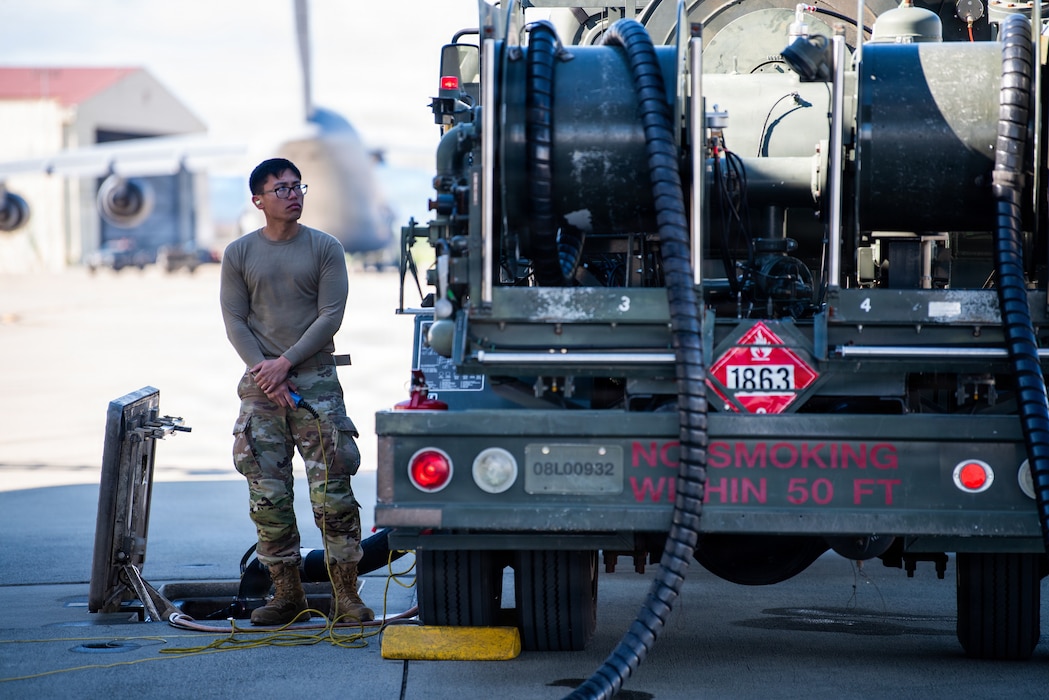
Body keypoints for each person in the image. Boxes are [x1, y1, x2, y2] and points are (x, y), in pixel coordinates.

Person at [220, 157, 374, 626]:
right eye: (281, 188)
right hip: (261, 387)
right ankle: (286, 595)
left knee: (334, 495)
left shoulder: (325, 248)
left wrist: (285, 364)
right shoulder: (239, 253)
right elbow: (235, 320)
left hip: (316, 385)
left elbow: (331, 315)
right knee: (268, 496)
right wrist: (267, 373)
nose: (293, 195)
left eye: (297, 186)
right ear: (258, 200)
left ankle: (346, 597)